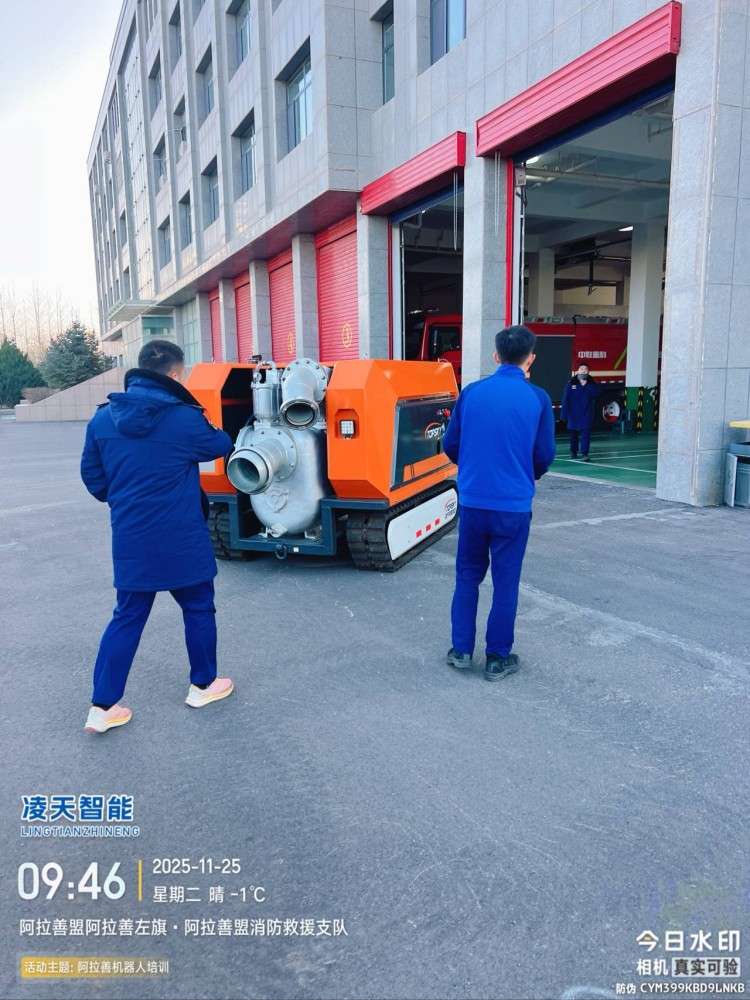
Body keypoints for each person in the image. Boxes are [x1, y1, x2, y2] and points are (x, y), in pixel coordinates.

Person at [80, 340, 235, 734]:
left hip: (131, 535)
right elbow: (221, 444)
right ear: (175, 373)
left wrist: (125, 499)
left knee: (127, 616)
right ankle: (203, 686)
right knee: (198, 607)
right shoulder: (183, 418)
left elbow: (93, 478)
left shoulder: (102, 420)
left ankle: (103, 707)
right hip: (182, 535)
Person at [442, 326, 555, 681]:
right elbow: (544, 455)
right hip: (514, 506)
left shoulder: (472, 393)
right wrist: (525, 475)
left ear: (495, 356)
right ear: (530, 359)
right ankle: (497, 658)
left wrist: (473, 469)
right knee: (506, 582)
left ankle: (461, 650)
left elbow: (450, 444)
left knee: (467, 575)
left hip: (474, 502)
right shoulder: (538, 399)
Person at [561, 364, 601, 461]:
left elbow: (596, 394)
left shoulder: (592, 383)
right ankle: (573, 452)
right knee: (573, 435)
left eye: (586, 369)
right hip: (573, 414)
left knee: (585, 435)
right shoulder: (571, 383)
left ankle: (584, 453)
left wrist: (586, 385)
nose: (583, 370)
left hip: (586, 413)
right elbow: (565, 399)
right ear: (578, 371)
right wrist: (564, 415)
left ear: (588, 372)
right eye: (581, 369)